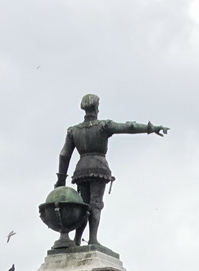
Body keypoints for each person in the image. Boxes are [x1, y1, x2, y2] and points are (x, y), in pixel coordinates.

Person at [56, 94, 168, 246]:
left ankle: (77, 240)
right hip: (98, 166)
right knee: (95, 203)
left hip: (81, 169)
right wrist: (151, 128)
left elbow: (64, 155)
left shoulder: (73, 130)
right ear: (96, 107)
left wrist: (61, 179)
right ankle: (93, 239)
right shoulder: (103, 125)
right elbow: (129, 127)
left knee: (83, 205)